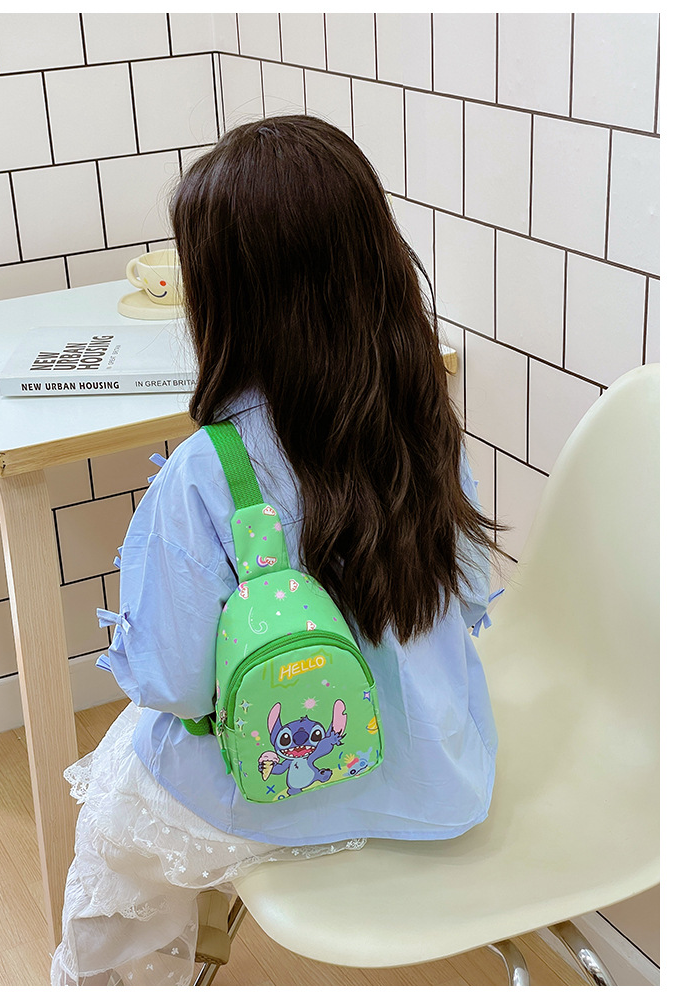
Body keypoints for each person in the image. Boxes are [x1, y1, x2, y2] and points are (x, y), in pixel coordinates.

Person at [50, 114, 505, 987]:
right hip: (435, 777)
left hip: (271, 798)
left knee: (114, 828)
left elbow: (177, 685)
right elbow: (474, 595)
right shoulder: (424, 423)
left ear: (229, 300)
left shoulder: (207, 473)